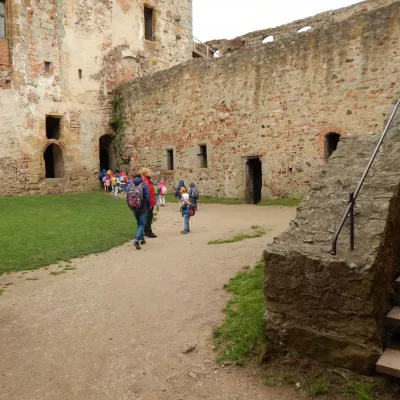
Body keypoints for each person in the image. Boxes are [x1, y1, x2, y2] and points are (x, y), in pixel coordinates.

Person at [127, 175, 150, 250]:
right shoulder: (143, 185)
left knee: (139, 223)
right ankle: (137, 240)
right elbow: (147, 197)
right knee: (142, 223)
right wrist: (149, 206)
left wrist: (130, 206)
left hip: (134, 207)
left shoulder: (130, 185)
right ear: (141, 178)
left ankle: (142, 239)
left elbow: (127, 196)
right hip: (143, 207)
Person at [141, 168, 157, 238]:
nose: (151, 173)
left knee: (147, 217)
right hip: (148, 203)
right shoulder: (146, 182)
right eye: (149, 172)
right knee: (149, 217)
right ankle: (148, 232)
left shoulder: (147, 181)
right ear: (145, 174)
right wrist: (149, 203)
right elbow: (148, 194)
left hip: (148, 202)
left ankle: (146, 231)